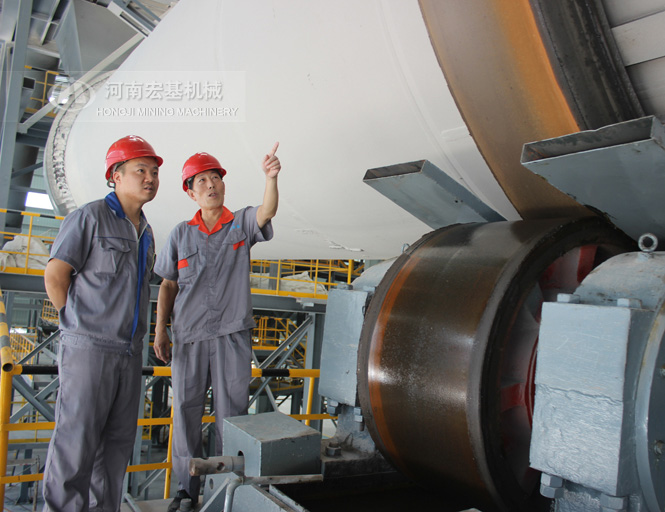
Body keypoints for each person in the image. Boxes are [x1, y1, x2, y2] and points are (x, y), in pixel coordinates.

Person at [154, 143, 281, 510]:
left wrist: (271, 178)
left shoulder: (240, 223)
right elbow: (168, 285)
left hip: (231, 335)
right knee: (186, 414)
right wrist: (160, 330)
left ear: (223, 185)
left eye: (215, 178)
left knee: (233, 416)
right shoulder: (180, 234)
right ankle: (186, 489)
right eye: (202, 181)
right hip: (189, 337)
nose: (211, 185)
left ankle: (228, 488)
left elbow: (267, 210)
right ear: (190, 192)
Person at [42, 135, 162, 512]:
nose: (150, 178)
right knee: (75, 444)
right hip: (90, 348)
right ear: (115, 176)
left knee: (115, 448)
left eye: (154, 172)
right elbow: (55, 275)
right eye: (140, 170)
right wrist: (76, 325)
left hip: (129, 353)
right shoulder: (90, 217)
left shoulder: (146, 231)